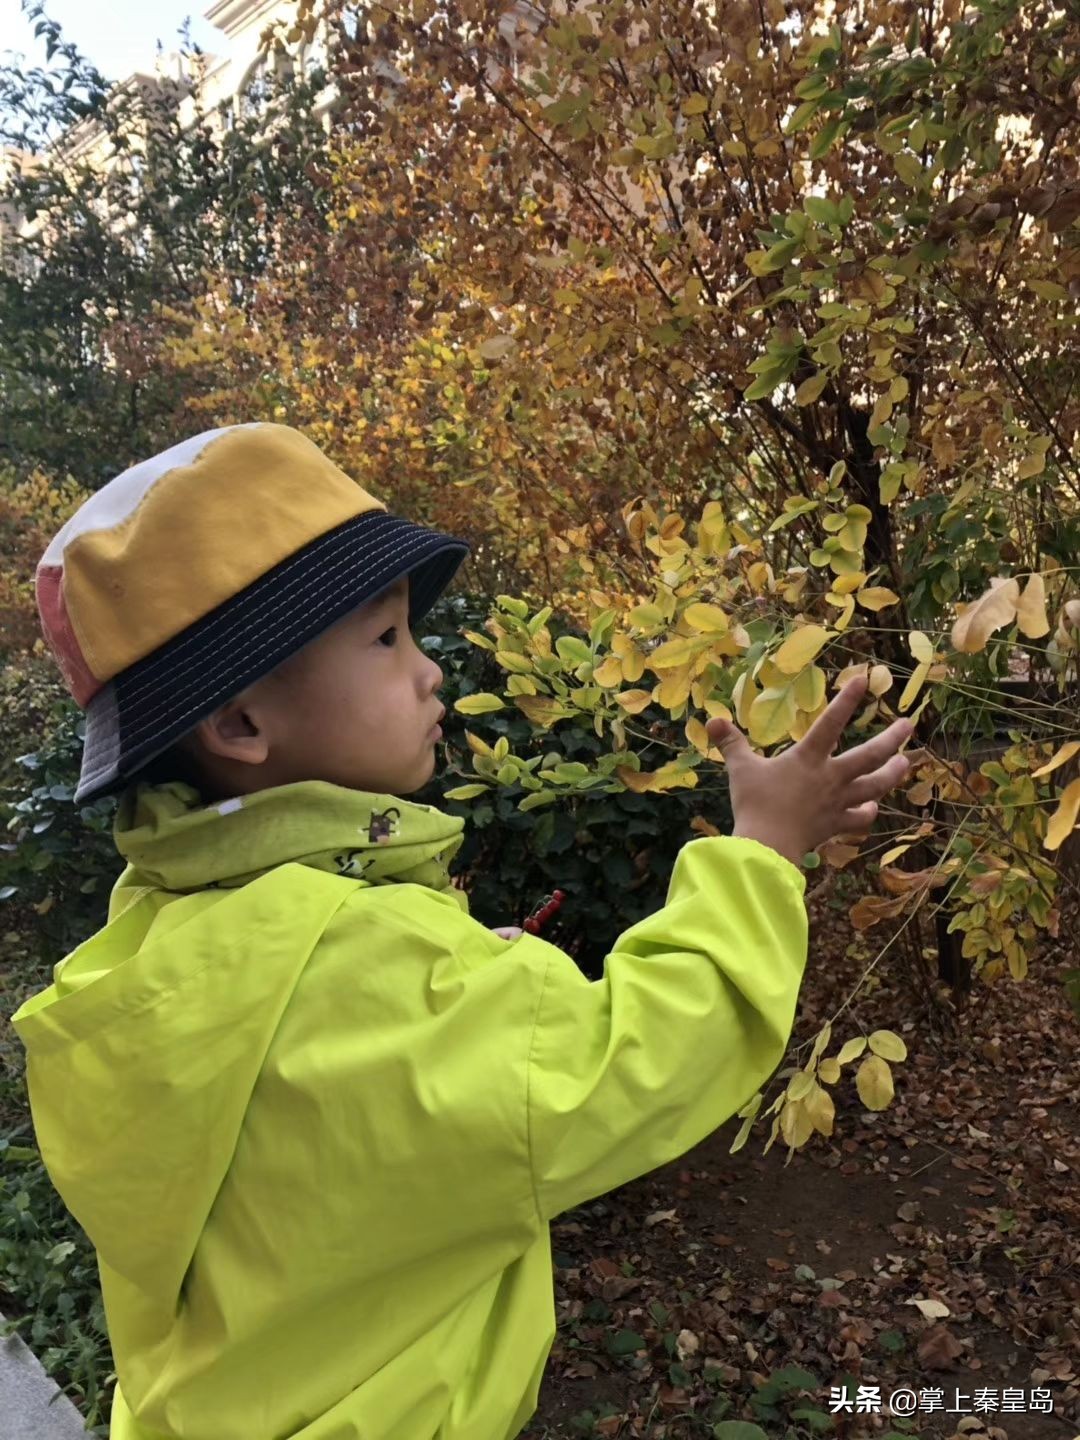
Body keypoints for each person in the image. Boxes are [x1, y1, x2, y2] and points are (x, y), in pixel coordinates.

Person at [11, 423, 911, 1440]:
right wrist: (763, 847)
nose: (431, 671)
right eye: (387, 639)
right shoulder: (367, 969)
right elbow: (645, 1055)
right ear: (242, 726)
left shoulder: (153, 947)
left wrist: (464, 978)